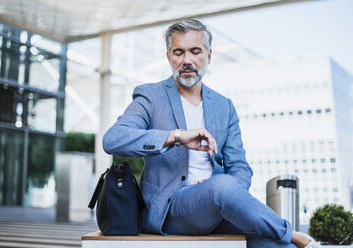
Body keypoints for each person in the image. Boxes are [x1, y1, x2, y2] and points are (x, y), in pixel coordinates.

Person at [103, 19, 319, 248]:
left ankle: (288, 239)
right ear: (169, 57)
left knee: (277, 245)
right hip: (171, 210)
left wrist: (219, 191)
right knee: (223, 187)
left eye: (195, 51)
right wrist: (177, 137)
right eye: (179, 52)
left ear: (209, 55)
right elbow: (113, 139)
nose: (187, 60)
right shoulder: (151, 96)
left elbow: (240, 167)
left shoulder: (224, 106)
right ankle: (292, 232)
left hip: (217, 209)